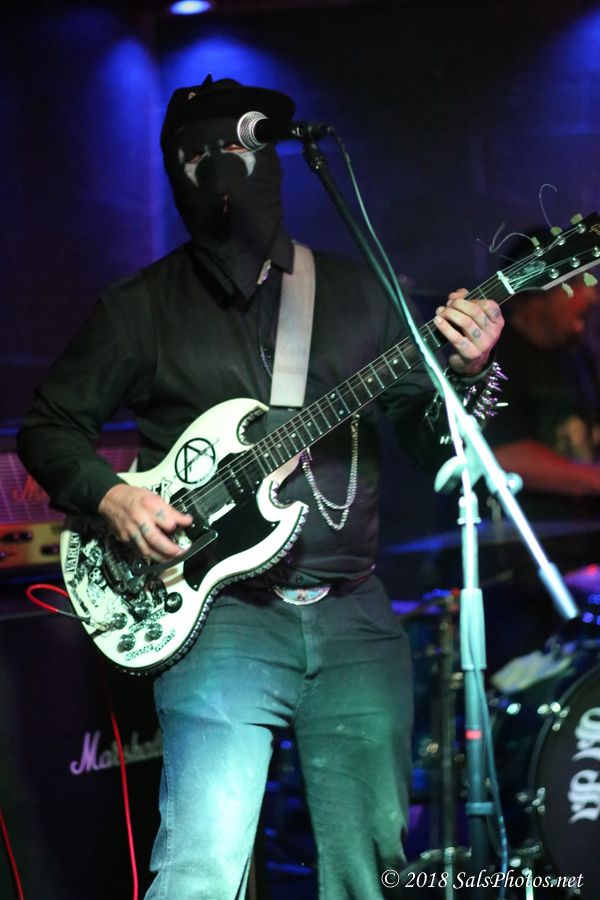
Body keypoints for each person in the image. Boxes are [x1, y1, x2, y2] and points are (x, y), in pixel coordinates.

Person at [16, 75, 504, 899]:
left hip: (354, 618)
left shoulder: (360, 291)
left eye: (241, 145)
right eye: (200, 153)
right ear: (176, 169)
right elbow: (48, 426)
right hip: (220, 624)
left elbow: (435, 443)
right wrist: (114, 497)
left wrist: (469, 371)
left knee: (370, 873)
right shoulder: (140, 308)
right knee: (200, 871)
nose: (224, 167)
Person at [477, 238, 600, 670]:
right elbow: (506, 456)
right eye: (580, 283)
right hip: (520, 574)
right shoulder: (496, 357)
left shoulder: (577, 357)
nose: (593, 295)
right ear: (540, 293)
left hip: (582, 560)